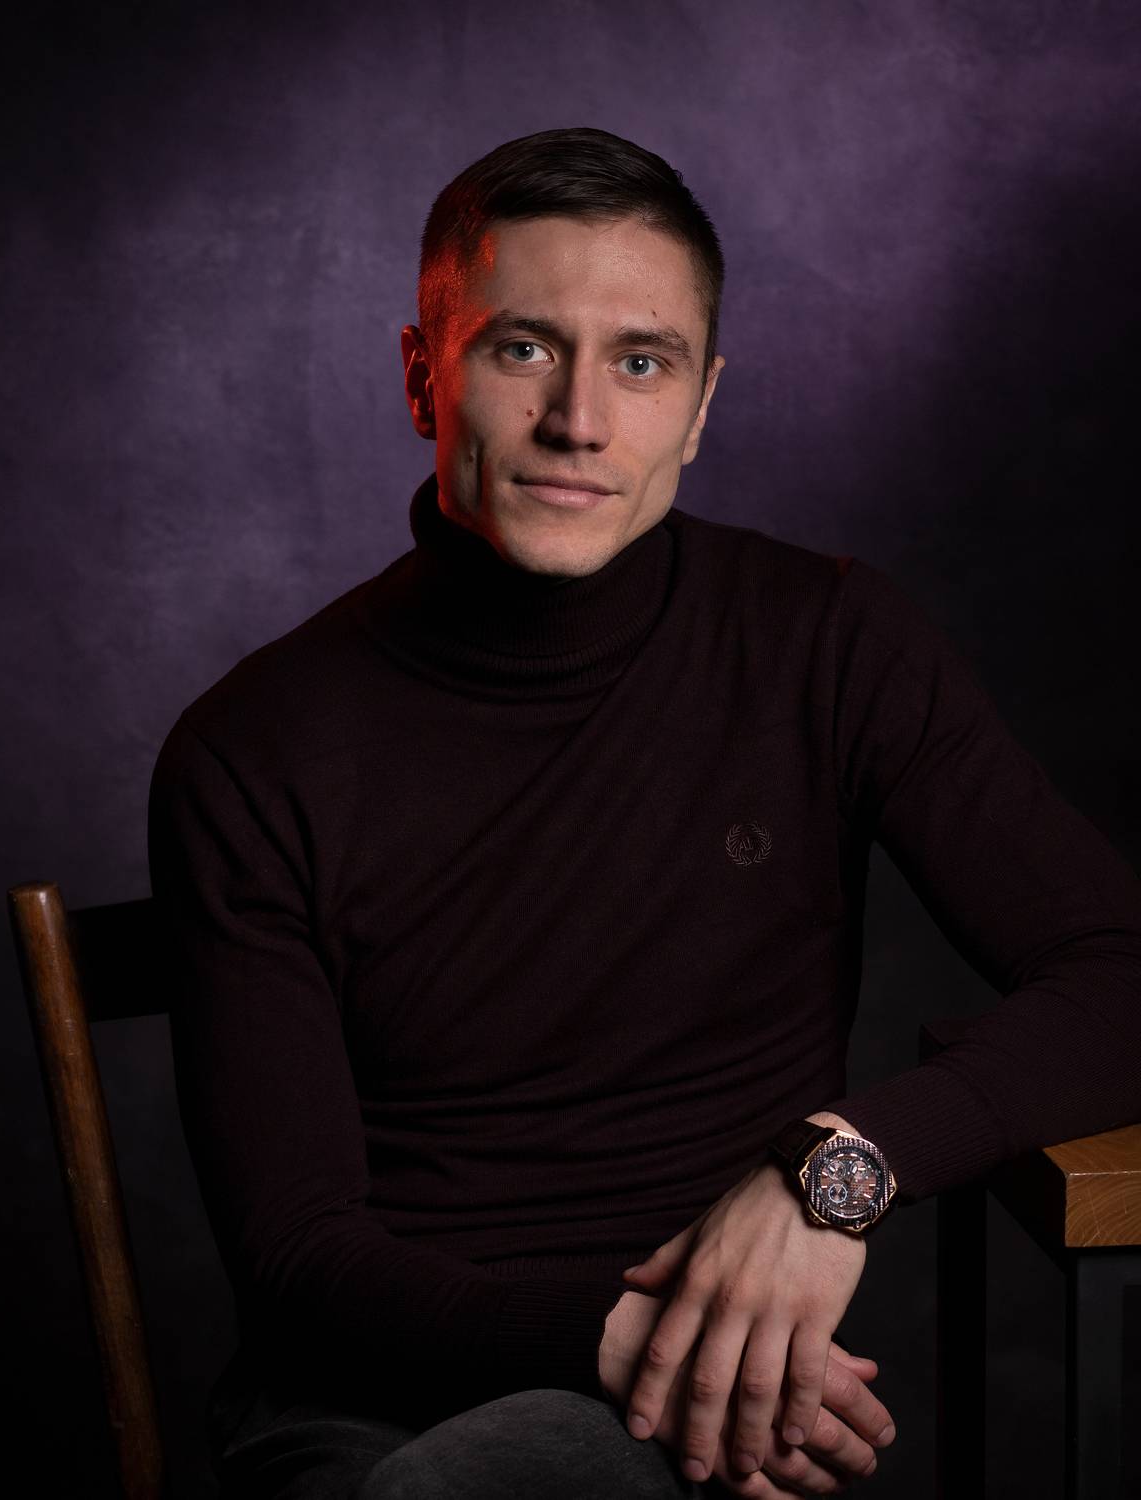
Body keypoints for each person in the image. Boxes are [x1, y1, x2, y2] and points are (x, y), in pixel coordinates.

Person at [147, 127, 1141, 1498]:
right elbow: (302, 1261)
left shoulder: (826, 644)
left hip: (690, 1430)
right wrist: (634, 1345)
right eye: (522, 349)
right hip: (370, 1407)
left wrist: (833, 1171)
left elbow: (1121, 975)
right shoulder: (250, 749)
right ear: (423, 372)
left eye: (641, 362)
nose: (579, 421)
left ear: (702, 403)